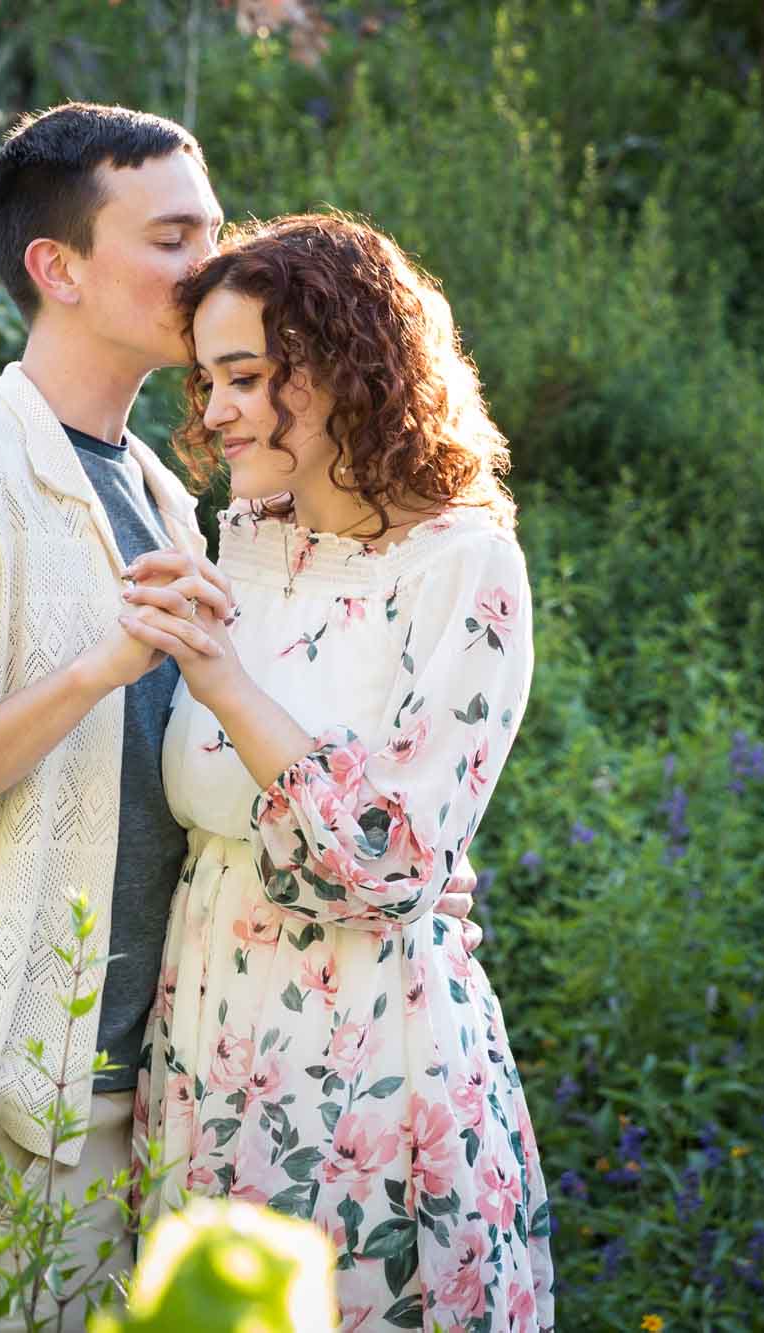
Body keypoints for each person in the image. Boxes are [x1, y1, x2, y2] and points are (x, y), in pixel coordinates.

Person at [0, 105, 479, 1326]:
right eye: (172, 237)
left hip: (180, 1082)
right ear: (57, 267)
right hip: (17, 1099)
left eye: (211, 231)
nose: (208, 267)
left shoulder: (159, 493)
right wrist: (97, 666)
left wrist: (405, 860)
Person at [118, 213, 556, 1330]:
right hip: (207, 1047)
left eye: (244, 377)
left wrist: (226, 686)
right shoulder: (246, 537)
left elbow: (393, 864)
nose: (212, 413)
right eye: (208, 379)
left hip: (373, 1065)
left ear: (340, 365)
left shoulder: (465, 566)